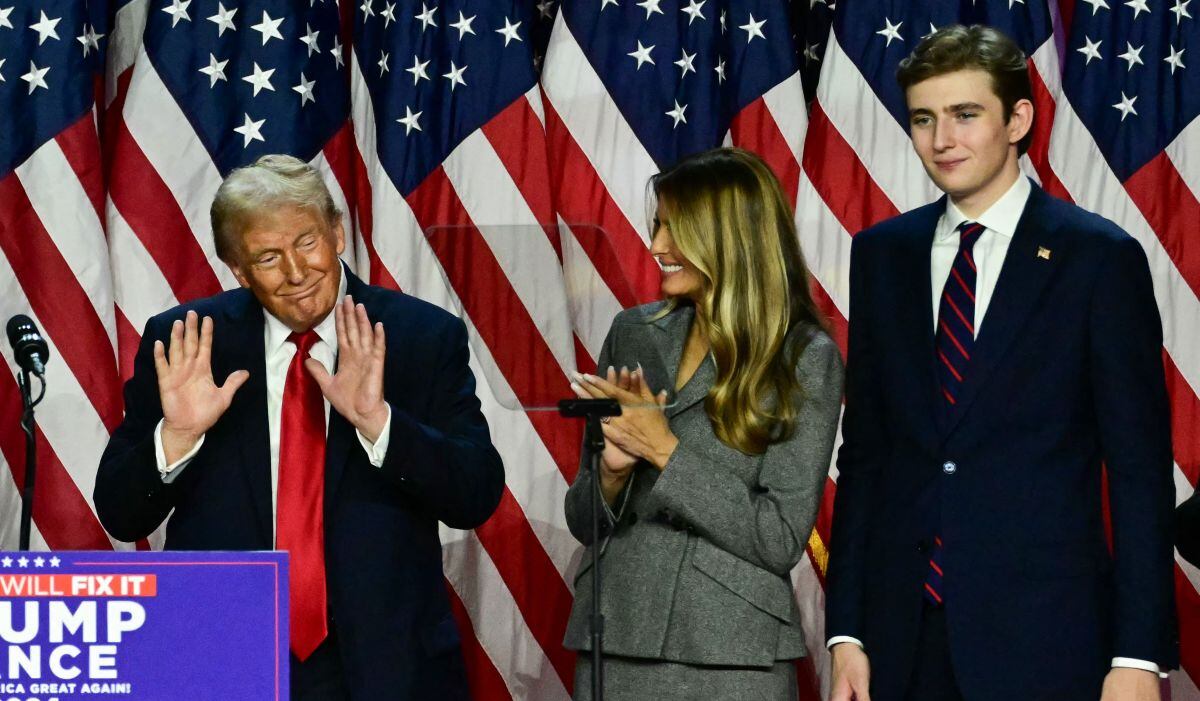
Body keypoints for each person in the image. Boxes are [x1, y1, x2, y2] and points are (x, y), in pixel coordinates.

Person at [824, 25, 1176, 701]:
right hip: (901, 641)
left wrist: (1137, 651)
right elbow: (866, 456)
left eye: (965, 115)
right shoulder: (882, 254)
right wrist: (848, 633)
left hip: (1046, 639)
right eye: (924, 119)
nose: (941, 140)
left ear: (1017, 119)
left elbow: (1136, 470)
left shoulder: (1096, 259)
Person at [94, 155, 504, 700]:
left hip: (384, 667)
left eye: (307, 243)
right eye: (267, 256)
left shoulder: (419, 337)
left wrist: (379, 423)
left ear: (336, 233)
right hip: (222, 660)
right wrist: (178, 438)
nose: (295, 272)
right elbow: (122, 513)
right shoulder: (189, 344)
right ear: (238, 269)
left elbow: (475, 493)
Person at [562, 147, 844, 700]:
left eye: (675, 229)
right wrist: (613, 476)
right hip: (616, 639)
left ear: (731, 237)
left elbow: (780, 537)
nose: (656, 247)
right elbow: (582, 517)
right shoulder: (634, 332)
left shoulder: (804, 358)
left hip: (733, 656)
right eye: (658, 225)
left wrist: (666, 452)